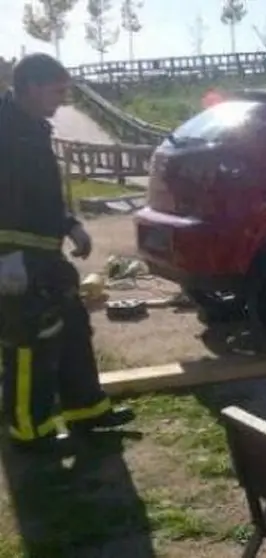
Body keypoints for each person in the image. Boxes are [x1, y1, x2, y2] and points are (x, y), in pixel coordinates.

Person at [0, 53, 134, 451]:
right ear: (31, 87)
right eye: (57, 91)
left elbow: (42, 194)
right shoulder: (4, 129)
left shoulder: (33, 128)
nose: (63, 100)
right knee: (30, 340)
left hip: (45, 253)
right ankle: (30, 431)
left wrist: (69, 225)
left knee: (74, 326)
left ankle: (86, 411)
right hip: (14, 257)